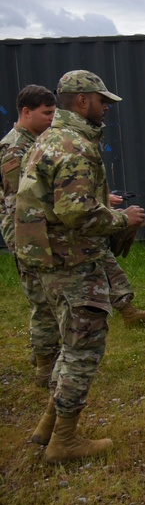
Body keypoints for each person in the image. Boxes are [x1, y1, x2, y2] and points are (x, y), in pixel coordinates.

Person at [16, 70, 145, 464]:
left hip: (51, 259)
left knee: (69, 346)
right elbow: (77, 215)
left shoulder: (50, 139)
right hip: (71, 260)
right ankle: (65, 441)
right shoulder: (73, 146)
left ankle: (47, 425)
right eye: (101, 101)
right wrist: (124, 220)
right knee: (83, 350)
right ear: (82, 101)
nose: (106, 107)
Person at [1, 85, 58, 386]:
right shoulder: (14, 150)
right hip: (26, 233)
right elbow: (20, 201)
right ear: (26, 112)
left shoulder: (33, 143)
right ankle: (45, 368)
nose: (51, 119)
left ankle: (42, 354)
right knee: (44, 301)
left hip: (36, 229)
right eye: (46, 113)